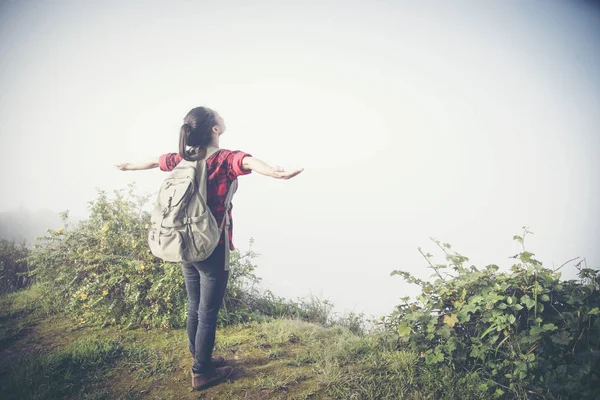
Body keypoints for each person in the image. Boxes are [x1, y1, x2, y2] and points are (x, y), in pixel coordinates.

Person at [116, 106, 303, 390]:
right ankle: (201, 371)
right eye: (219, 116)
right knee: (208, 311)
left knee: (195, 305)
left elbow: (157, 161)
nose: (223, 118)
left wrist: (129, 166)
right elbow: (249, 162)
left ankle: (200, 357)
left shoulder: (185, 156)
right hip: (211, 244)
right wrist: (276, 174)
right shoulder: (224, 159)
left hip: (184, 241)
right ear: (214, 128)